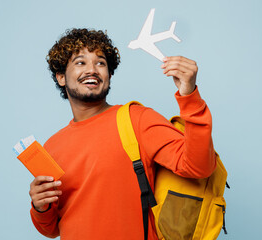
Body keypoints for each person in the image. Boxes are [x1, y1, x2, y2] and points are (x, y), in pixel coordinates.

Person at [28, 28, 216, 240]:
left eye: (100, 63)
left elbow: (199, 167)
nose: (92, 69)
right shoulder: (52, 146)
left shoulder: (136, 119)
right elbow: (51, 229)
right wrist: (40, 207)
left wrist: (189, 96)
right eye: (80, 62)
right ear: (61, 77)